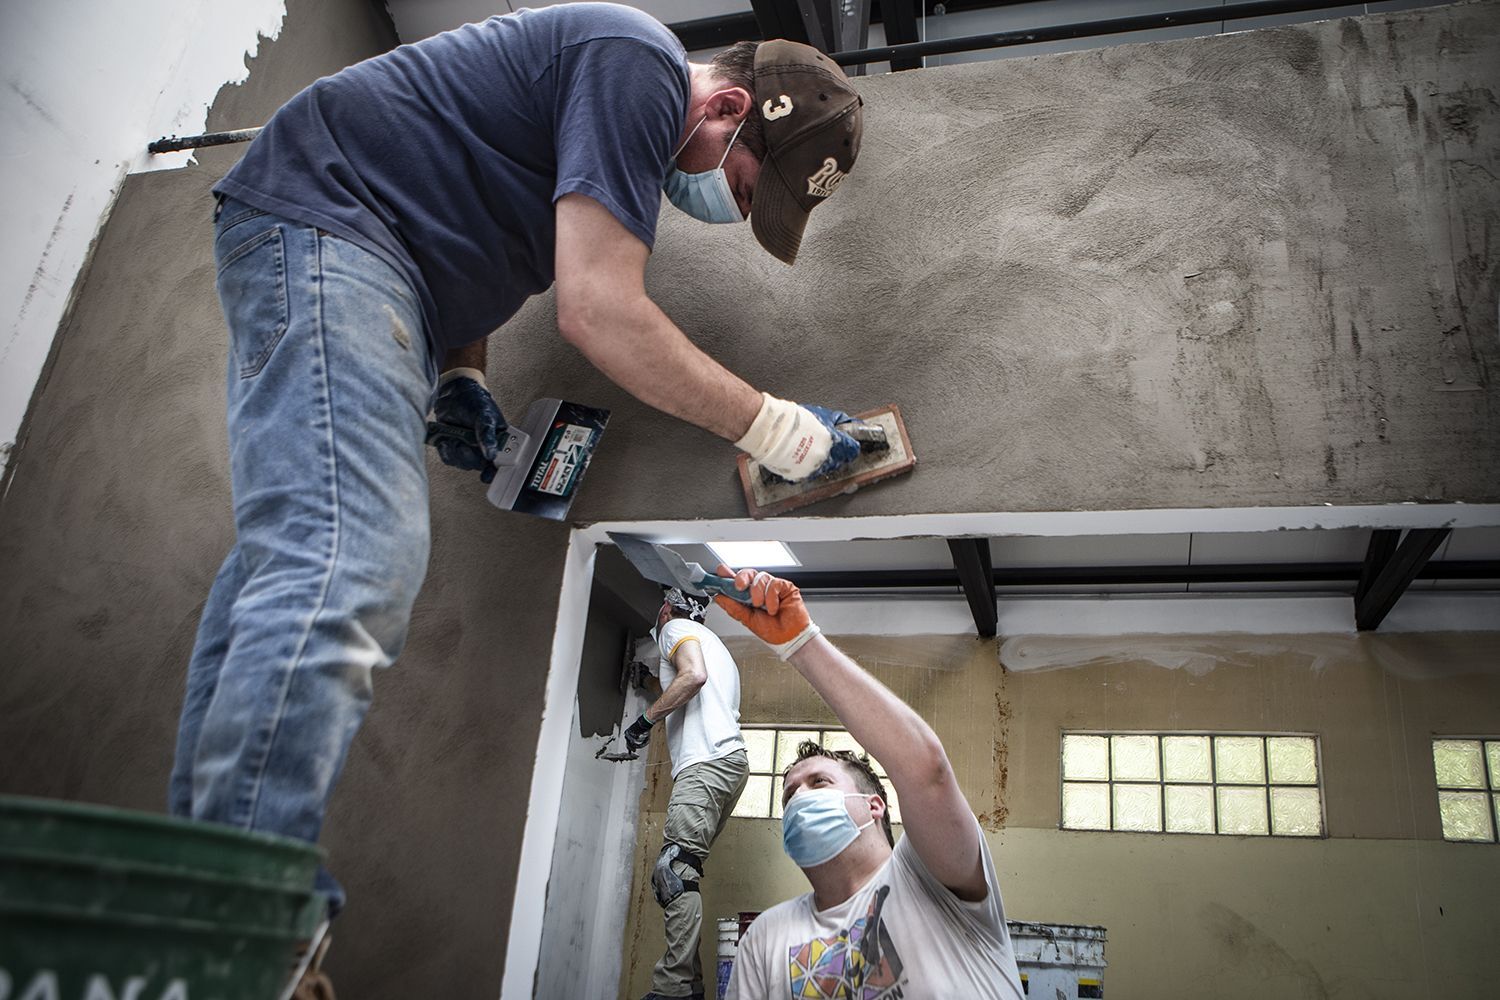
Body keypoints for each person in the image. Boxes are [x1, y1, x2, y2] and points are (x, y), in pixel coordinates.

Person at [164, 1, 866, 990]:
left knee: (282, 571)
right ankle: (230, 911)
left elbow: (466, 213)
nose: (727, 211)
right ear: (730, 106)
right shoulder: (640, 63)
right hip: (334, 224)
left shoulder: (599, 124)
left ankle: (190, 888)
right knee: (358, 553)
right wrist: (775, 427)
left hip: (373, 257)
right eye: (744, 188)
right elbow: (598, 310)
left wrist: (462, 373)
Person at [713, 567, 1025, 999]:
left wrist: (799, 643)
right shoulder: (766, 937)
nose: (799, 798)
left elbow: (926, 771)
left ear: (874, 805)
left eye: (819, 782)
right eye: (789, 795)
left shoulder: (927, 877)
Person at [617, 587, 750, 1000]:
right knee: (677, 874)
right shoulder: (715, 647)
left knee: (674, 872)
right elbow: (688, 678)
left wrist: (644, 721)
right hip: (728, 764)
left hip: (706, 763)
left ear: (667, 609)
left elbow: (693, 676)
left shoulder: (674, 628)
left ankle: (673, 990)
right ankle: (689, 988)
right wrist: (650, 681)